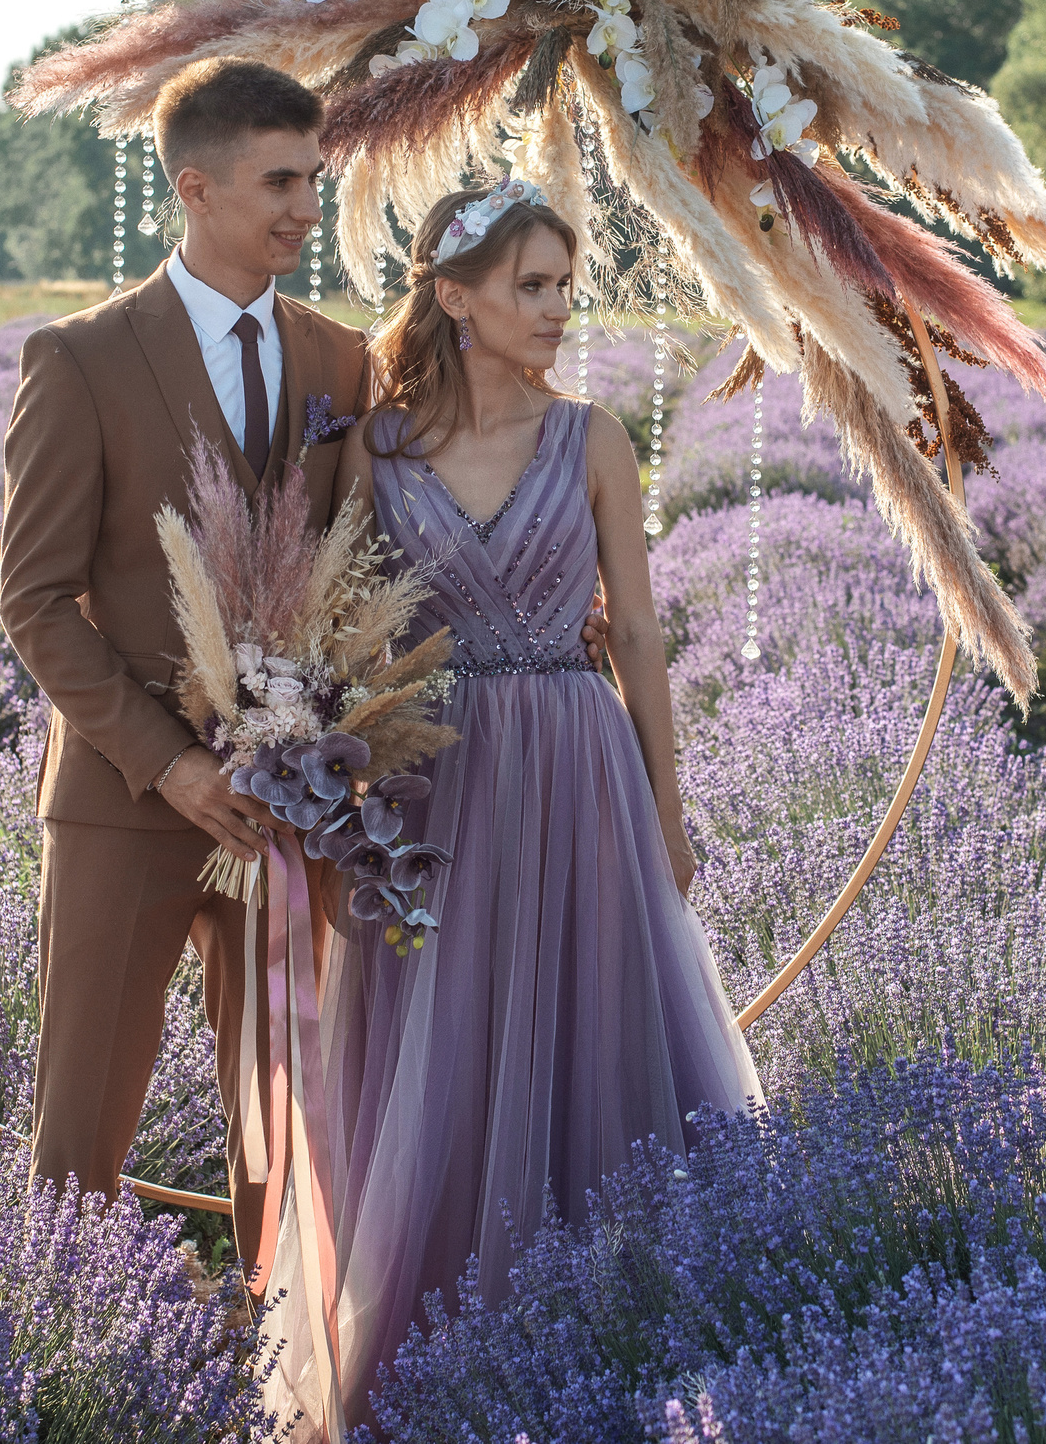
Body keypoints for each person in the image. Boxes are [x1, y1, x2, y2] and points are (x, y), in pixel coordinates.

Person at [317, 179, 762, 1422]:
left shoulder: (596, 437)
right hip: (431, 783)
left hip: (578, 764)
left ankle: (614, 1350)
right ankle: (438, 1355)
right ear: (453, 298)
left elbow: (644, 640)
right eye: (532, 285)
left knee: (591, 1028)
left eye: (567, 283)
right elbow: (339, 638)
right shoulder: (378, 449)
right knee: (443, 1043)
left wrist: (667, 809)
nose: (561, 307)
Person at [0, 56, 373, 1265]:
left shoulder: (340, 363)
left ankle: (277, 1356)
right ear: (194, 186)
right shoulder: (81, 358)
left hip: (288, 815)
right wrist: (168, 765)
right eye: (280, 181)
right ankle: (58, 1359)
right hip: (122, 801)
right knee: (81, 1125)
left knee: (284, 1118)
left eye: (313, 179)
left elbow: (365, 561)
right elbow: (36, 599)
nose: (305, 208)